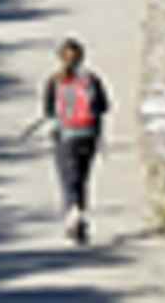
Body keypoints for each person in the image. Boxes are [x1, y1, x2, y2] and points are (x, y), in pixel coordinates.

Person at [42, 38, 110, 244]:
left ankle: (72, 214)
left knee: (67, 178)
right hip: (89, 134)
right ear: (82, 57)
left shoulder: (55, 80)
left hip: (66, 135)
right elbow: (104, 106)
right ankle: (80, 212)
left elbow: (48, 110)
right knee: (82, 177)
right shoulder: (92, 79)